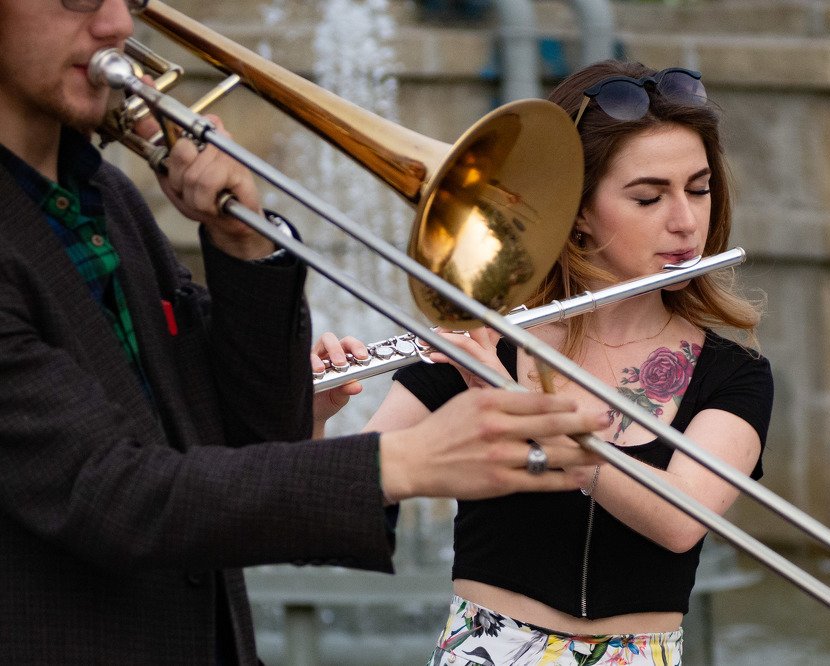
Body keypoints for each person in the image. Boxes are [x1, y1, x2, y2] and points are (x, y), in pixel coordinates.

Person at [0, 1, 608, 664]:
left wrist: (243, 243)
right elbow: (113, 493)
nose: (118, 24)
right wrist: (402, 461)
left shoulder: (107, 199)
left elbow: (254, 434)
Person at [335, 59, 775, 665]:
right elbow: (348, 491)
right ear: (579, 210)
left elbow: (679, 521)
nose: (685, 221)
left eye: (698, 189)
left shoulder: (736, 374)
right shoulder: (485, 341)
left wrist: (526, 409)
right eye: (648, 197)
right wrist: (310, 408)